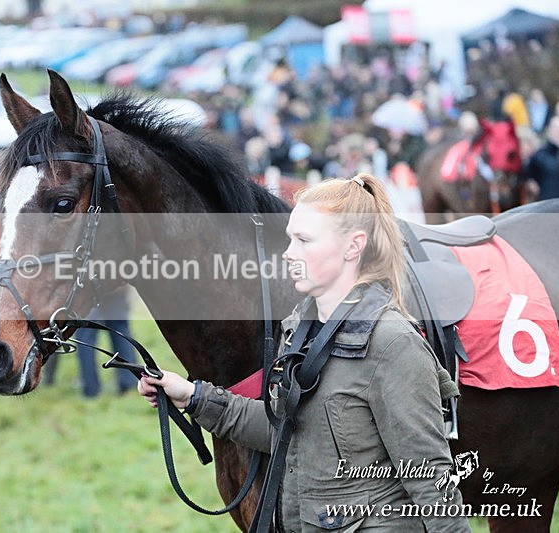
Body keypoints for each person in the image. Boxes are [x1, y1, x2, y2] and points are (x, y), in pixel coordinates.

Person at [138, 173, 470, 531]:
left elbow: (432, 486)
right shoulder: (299, 331)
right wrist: (193, 396)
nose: (288, 254)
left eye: (304, 241)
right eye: (290, 239)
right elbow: (284, 429)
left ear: (353, 246)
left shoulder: (392, 343)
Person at [523, 115, 559, 202]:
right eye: (556, 129)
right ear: (549, 130)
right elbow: (529, 175)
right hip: (548, 204)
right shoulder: (540, 155)